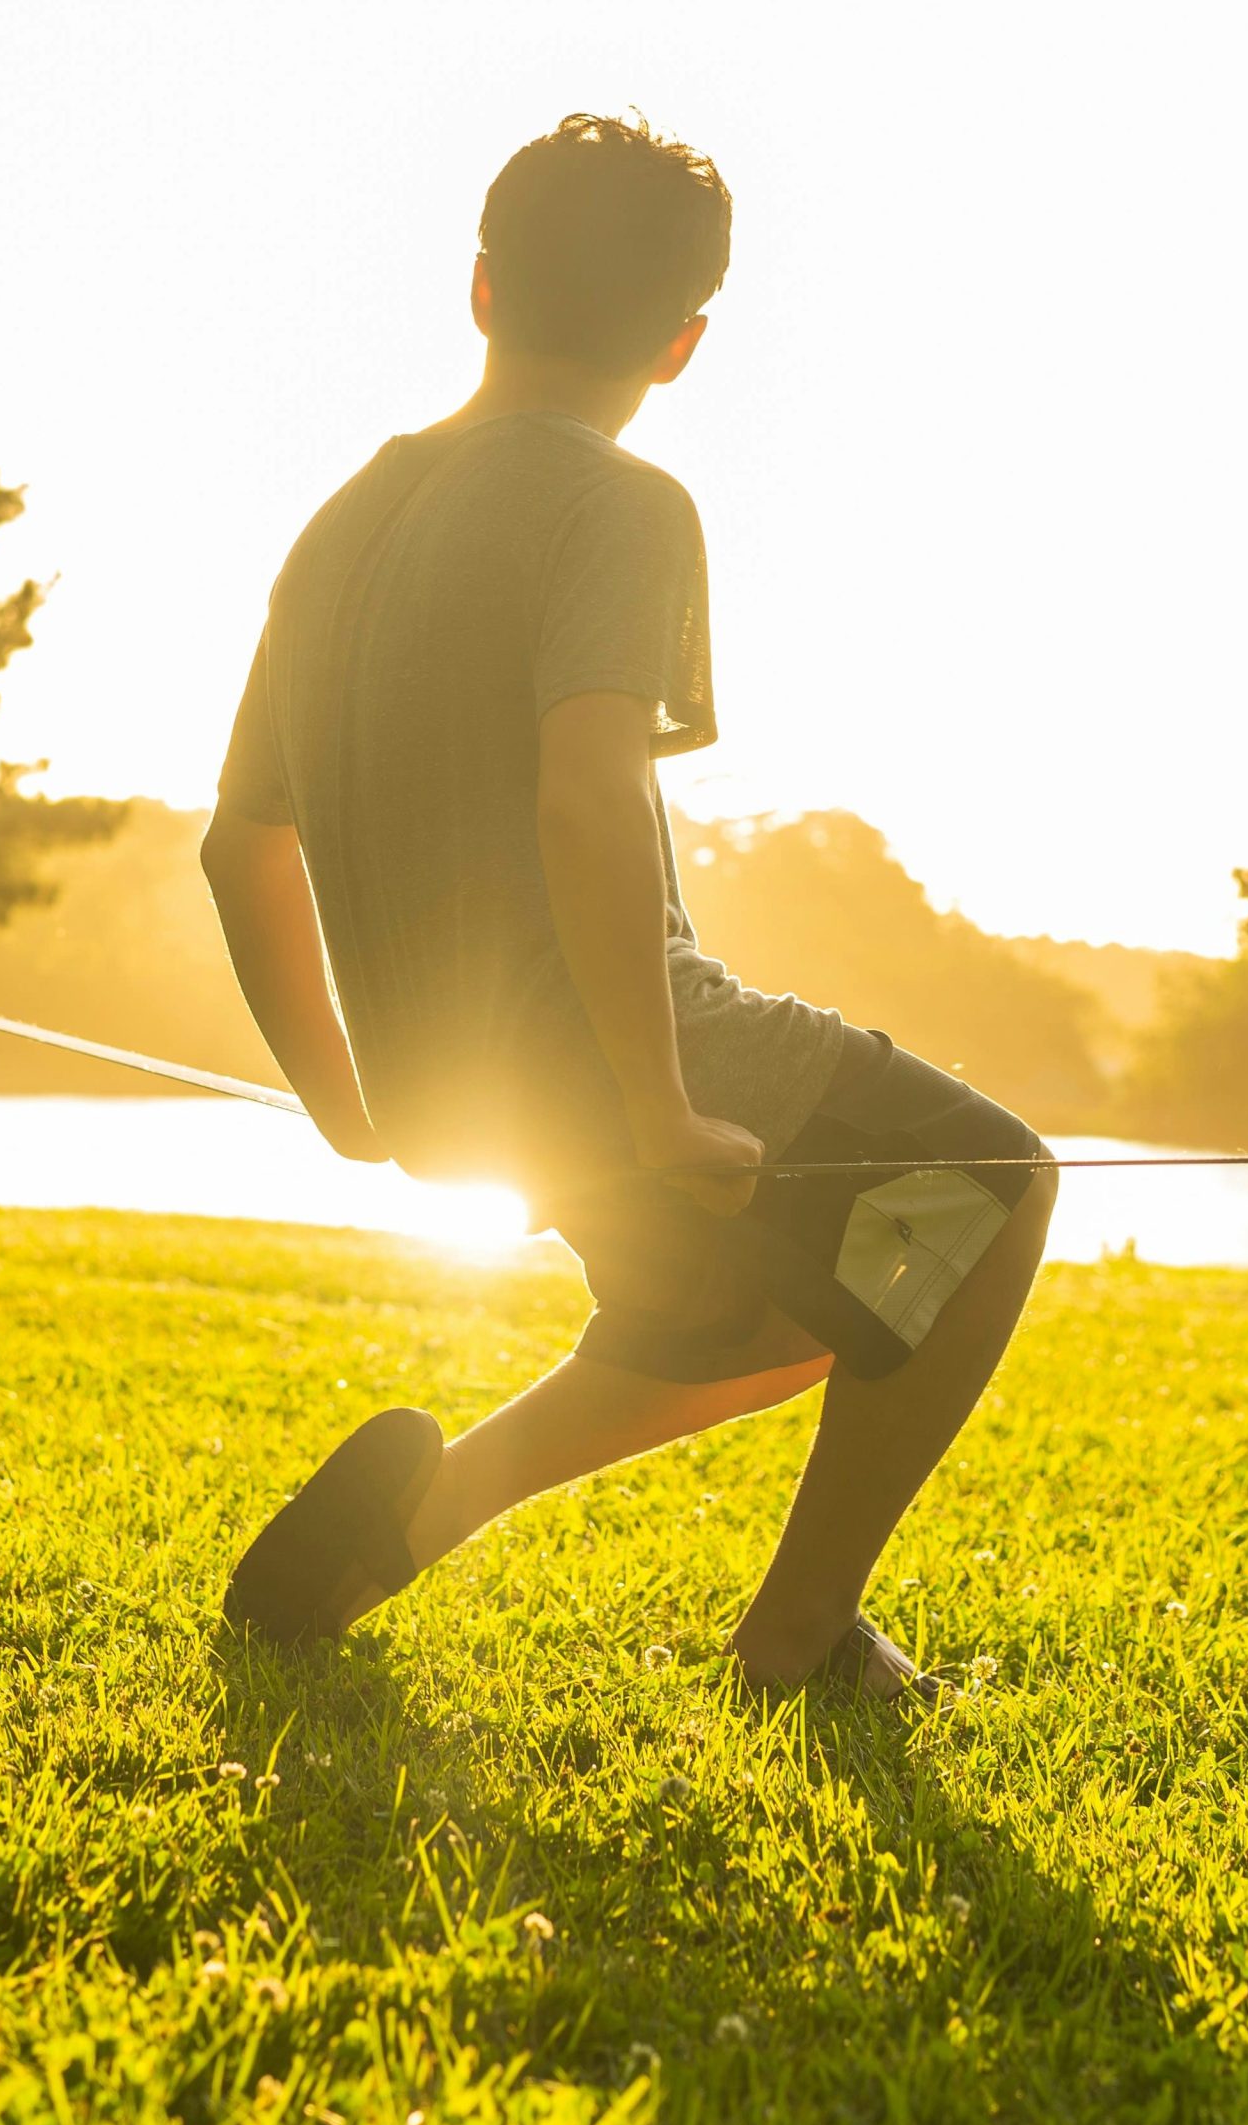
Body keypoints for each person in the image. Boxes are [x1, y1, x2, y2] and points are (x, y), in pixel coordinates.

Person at [202, 116, 1059, 1699]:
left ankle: (426, 1507)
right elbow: (588, 789)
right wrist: (663, 1104)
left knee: (756, 1322)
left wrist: (347, 1099)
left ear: (479, 287)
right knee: (997, 1183)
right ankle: (800, 1637)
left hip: (454, 1083)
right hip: (614, 1051)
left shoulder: (341, 526)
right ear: (683, 342)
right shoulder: (622, 503)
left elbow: (237, 848)